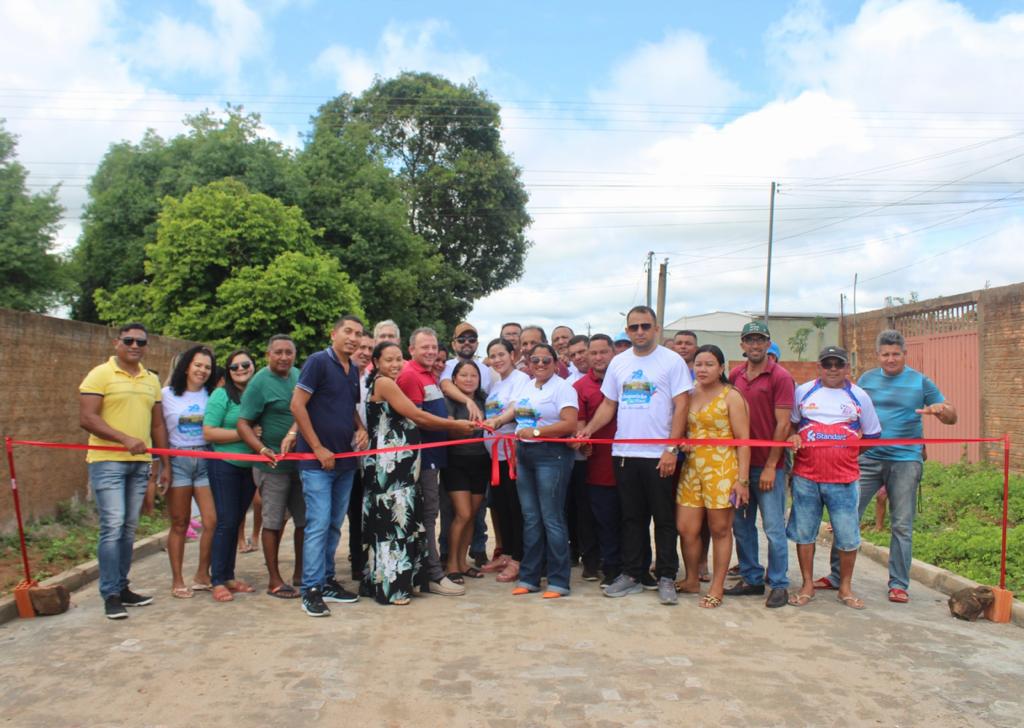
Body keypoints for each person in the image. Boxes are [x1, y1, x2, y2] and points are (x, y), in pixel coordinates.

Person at [821, 330, 957, 603]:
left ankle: (898, 584)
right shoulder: (867, 380)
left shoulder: (920, 382)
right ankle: (837, 577)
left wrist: (941, 411)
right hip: (868, 458)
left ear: (904, 354)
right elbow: (849, 410)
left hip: (906, 460)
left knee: (902, 525)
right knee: (846, 517)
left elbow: (951, 416)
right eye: (886, 354)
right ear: (878, 355)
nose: (891, 359)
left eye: (896, 354)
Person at [578, 306, 693, 606]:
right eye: (634, 327)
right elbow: (608, 405)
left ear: (656, 329)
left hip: (659, 455)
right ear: (627, 331)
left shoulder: (672, 361)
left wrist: (671, 448)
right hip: (625, 453)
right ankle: (632, 574)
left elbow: (682, 406)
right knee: (631, 518)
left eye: (645, 326)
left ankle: (666, 576)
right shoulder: (619, 363)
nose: (640, 331)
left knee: (664, 519)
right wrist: (588, 429)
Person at [362, 342, 475, 605]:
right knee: (394, 524)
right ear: (377, 362)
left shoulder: (386, 383)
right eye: (388, 360)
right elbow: (417, 415)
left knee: (401, 523)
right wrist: (454, 425)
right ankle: (394, 590)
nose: (395, 364)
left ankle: (404, 581)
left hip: (398, 465)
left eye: (398, 359)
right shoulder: (385, 384)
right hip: (389, 468)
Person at [79, 323, 169, 619]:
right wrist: (124, 439)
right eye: (129, 340)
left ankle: (122, 585)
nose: (134, 346)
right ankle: (110, 594)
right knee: (113, 525)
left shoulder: (150, 379)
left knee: (129, 528)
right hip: (108, 461)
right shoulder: (100, 374)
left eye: (140, 342)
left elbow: (157, 425)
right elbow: (88, 418)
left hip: (140, 464)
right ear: (117, 342)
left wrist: (162, 463)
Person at [787, 346, 881, 609]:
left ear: (846, 368)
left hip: (844, 479)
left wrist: (846, 451)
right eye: (827, 364)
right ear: (819, 366)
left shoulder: (859, 396)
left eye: (837, 364)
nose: (832, 369)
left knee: (847, 536)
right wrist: (793, 436)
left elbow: (872, 436)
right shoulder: (804, 392)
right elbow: (792, 424)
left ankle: (845, 588)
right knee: (805, 534)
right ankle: (807, 585)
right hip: (806, 477)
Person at [486, 343, 578, 599]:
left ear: (556, 361)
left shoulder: (563, 388)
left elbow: (569, 423)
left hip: (552, 455)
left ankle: (559, 581)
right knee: (531, 518)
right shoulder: (528, 384)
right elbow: (515, 410)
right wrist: (498, 421)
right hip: (524, 454)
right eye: (534, 360)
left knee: (552, 518)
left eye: (545, 360)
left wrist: (537, 432)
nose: (539, 364)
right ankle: (530, 577)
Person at [289, 315, 368, 617]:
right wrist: (318, 447)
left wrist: (361, 429)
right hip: (316, 461)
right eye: (348, 331)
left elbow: (349, 409)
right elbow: (297, 405)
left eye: (358, 334)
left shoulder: (352, 369)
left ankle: (326, 580)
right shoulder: (318, 362)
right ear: (334, 333)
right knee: (318, 524)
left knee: (334, 524)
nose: (353, 338)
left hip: (344, 461)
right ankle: (310, 589)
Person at [725, 321, 795, 608]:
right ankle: (752, 577)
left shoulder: (780, 377)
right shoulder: (736, 375)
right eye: (749, 340)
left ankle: (778, 583)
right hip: (739, 465)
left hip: (768, 466)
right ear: (742, 345)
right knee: (742, 526)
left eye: (760, 340)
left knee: (774, 528)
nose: (754, 345)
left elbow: (783, 424)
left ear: (768, 344)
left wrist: (770, 465)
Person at [674, 345, 751, 608]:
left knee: (719, 529)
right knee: (686, 528)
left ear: (721, 368)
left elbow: (744, 441)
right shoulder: (688, 394)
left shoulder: (732, 396)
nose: (702, 369)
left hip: (722, 469)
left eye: (709, 364)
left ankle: (717, 585)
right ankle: (692, 578)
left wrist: (742, 481)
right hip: (692, 469)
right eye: (698, 364)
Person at [395, 327, 465, 596]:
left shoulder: (428, 376)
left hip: (433, 457)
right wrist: (455, 425)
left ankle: (426, 572)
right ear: (411, 349)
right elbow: (416, 418)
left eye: (433, 347)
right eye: (424, 347)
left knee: (429, 514)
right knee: (427, 515)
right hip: (421, 459)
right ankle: (432, 574)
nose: (430, 351)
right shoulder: (411, 375)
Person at [236, 335, 304, 600]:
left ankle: (300, 574)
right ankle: (275, 580)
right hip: (272, 465)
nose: (284, 357)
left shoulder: (298, 376)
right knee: (273, 521)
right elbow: (243, 423)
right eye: (278, 352)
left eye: (289, 352)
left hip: (300, 463)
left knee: (304, 521)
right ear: (268, 355)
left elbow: (303, 410)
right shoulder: (259, 383)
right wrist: (260, 449)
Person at [160, 345, 217, 598]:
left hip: (205, 460)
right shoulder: (166, 395)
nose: (202, 371)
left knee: (212, 521)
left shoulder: (212, 395)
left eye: (207, 367)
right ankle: (177, 580)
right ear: (186, 366)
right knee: (180, 523)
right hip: (178, 460)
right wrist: (162, 466)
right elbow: (157, 431)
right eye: (198, 365)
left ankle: (202, 574)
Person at [203, 349, 259, 603]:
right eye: (234, 367)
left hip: (249, 466)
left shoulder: (257, 394)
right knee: (225, 521)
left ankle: (229, 576)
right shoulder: (220, 395)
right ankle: (217, 580)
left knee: (236, 520)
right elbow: (209, 432)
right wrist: (244, 434)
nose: (240, 369)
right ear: (228, 371)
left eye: (245, 364)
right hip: (224, 464)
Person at [574, 334, 622, 588]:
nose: (599, 357)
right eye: (594, 353)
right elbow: (579, 423)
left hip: (629, 460)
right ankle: (600, 565)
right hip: (597, 463)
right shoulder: (580, 386)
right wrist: (583, 441)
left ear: (613, 353)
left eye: (604, 352)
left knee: (627, 517)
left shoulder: (625, 379)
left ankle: (625, 565)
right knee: (600, 516)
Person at [480, 338, 529, 583]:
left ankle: (519, 558)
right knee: (501, 507)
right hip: (495, 457)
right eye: (493, 356)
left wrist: (498, 422)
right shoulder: (496, 385)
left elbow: (516, 409)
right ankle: (507, 553)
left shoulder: (520, 380)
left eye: (502, 354)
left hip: (512, 455)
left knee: (516, 508)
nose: (497, 360)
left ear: (513, 354)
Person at [442, 361, 490, 583]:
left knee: (472, 515)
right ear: (455, 378)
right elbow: (448, 430)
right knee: (462, 514)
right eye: (464, 375)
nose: (469, 379)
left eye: (474, 375)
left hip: (481, 461)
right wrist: (464, 429)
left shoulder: (483, 399)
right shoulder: (450, 401)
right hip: (456, 462)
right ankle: (451, 563)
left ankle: (462, 562)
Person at [564, 333, 598, 576]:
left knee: (595, 509)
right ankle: (581, 554)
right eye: (573, 354)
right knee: (576, 509)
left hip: (600, 455)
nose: (578, 358)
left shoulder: (604, 378)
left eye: (582, 352)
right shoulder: (569, 382)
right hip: (575, 457)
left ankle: (597, 558)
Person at [348, 332, 375, 580]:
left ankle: (363, 564)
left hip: (370, 458)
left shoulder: (373, 380)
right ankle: (355, 563)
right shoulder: (339, 376)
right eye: (360, 347)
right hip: (342, 457)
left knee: (365, 514)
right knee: (348, 513)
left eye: (369, 348)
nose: (364, 352)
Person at [440, 321, 493, 421]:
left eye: (472, 340)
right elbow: (445, 386)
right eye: (461, 340)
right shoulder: (445, 366)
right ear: (453, 344)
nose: (467, 343)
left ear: (477, 344)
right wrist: (469, 401)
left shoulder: (486, 371)